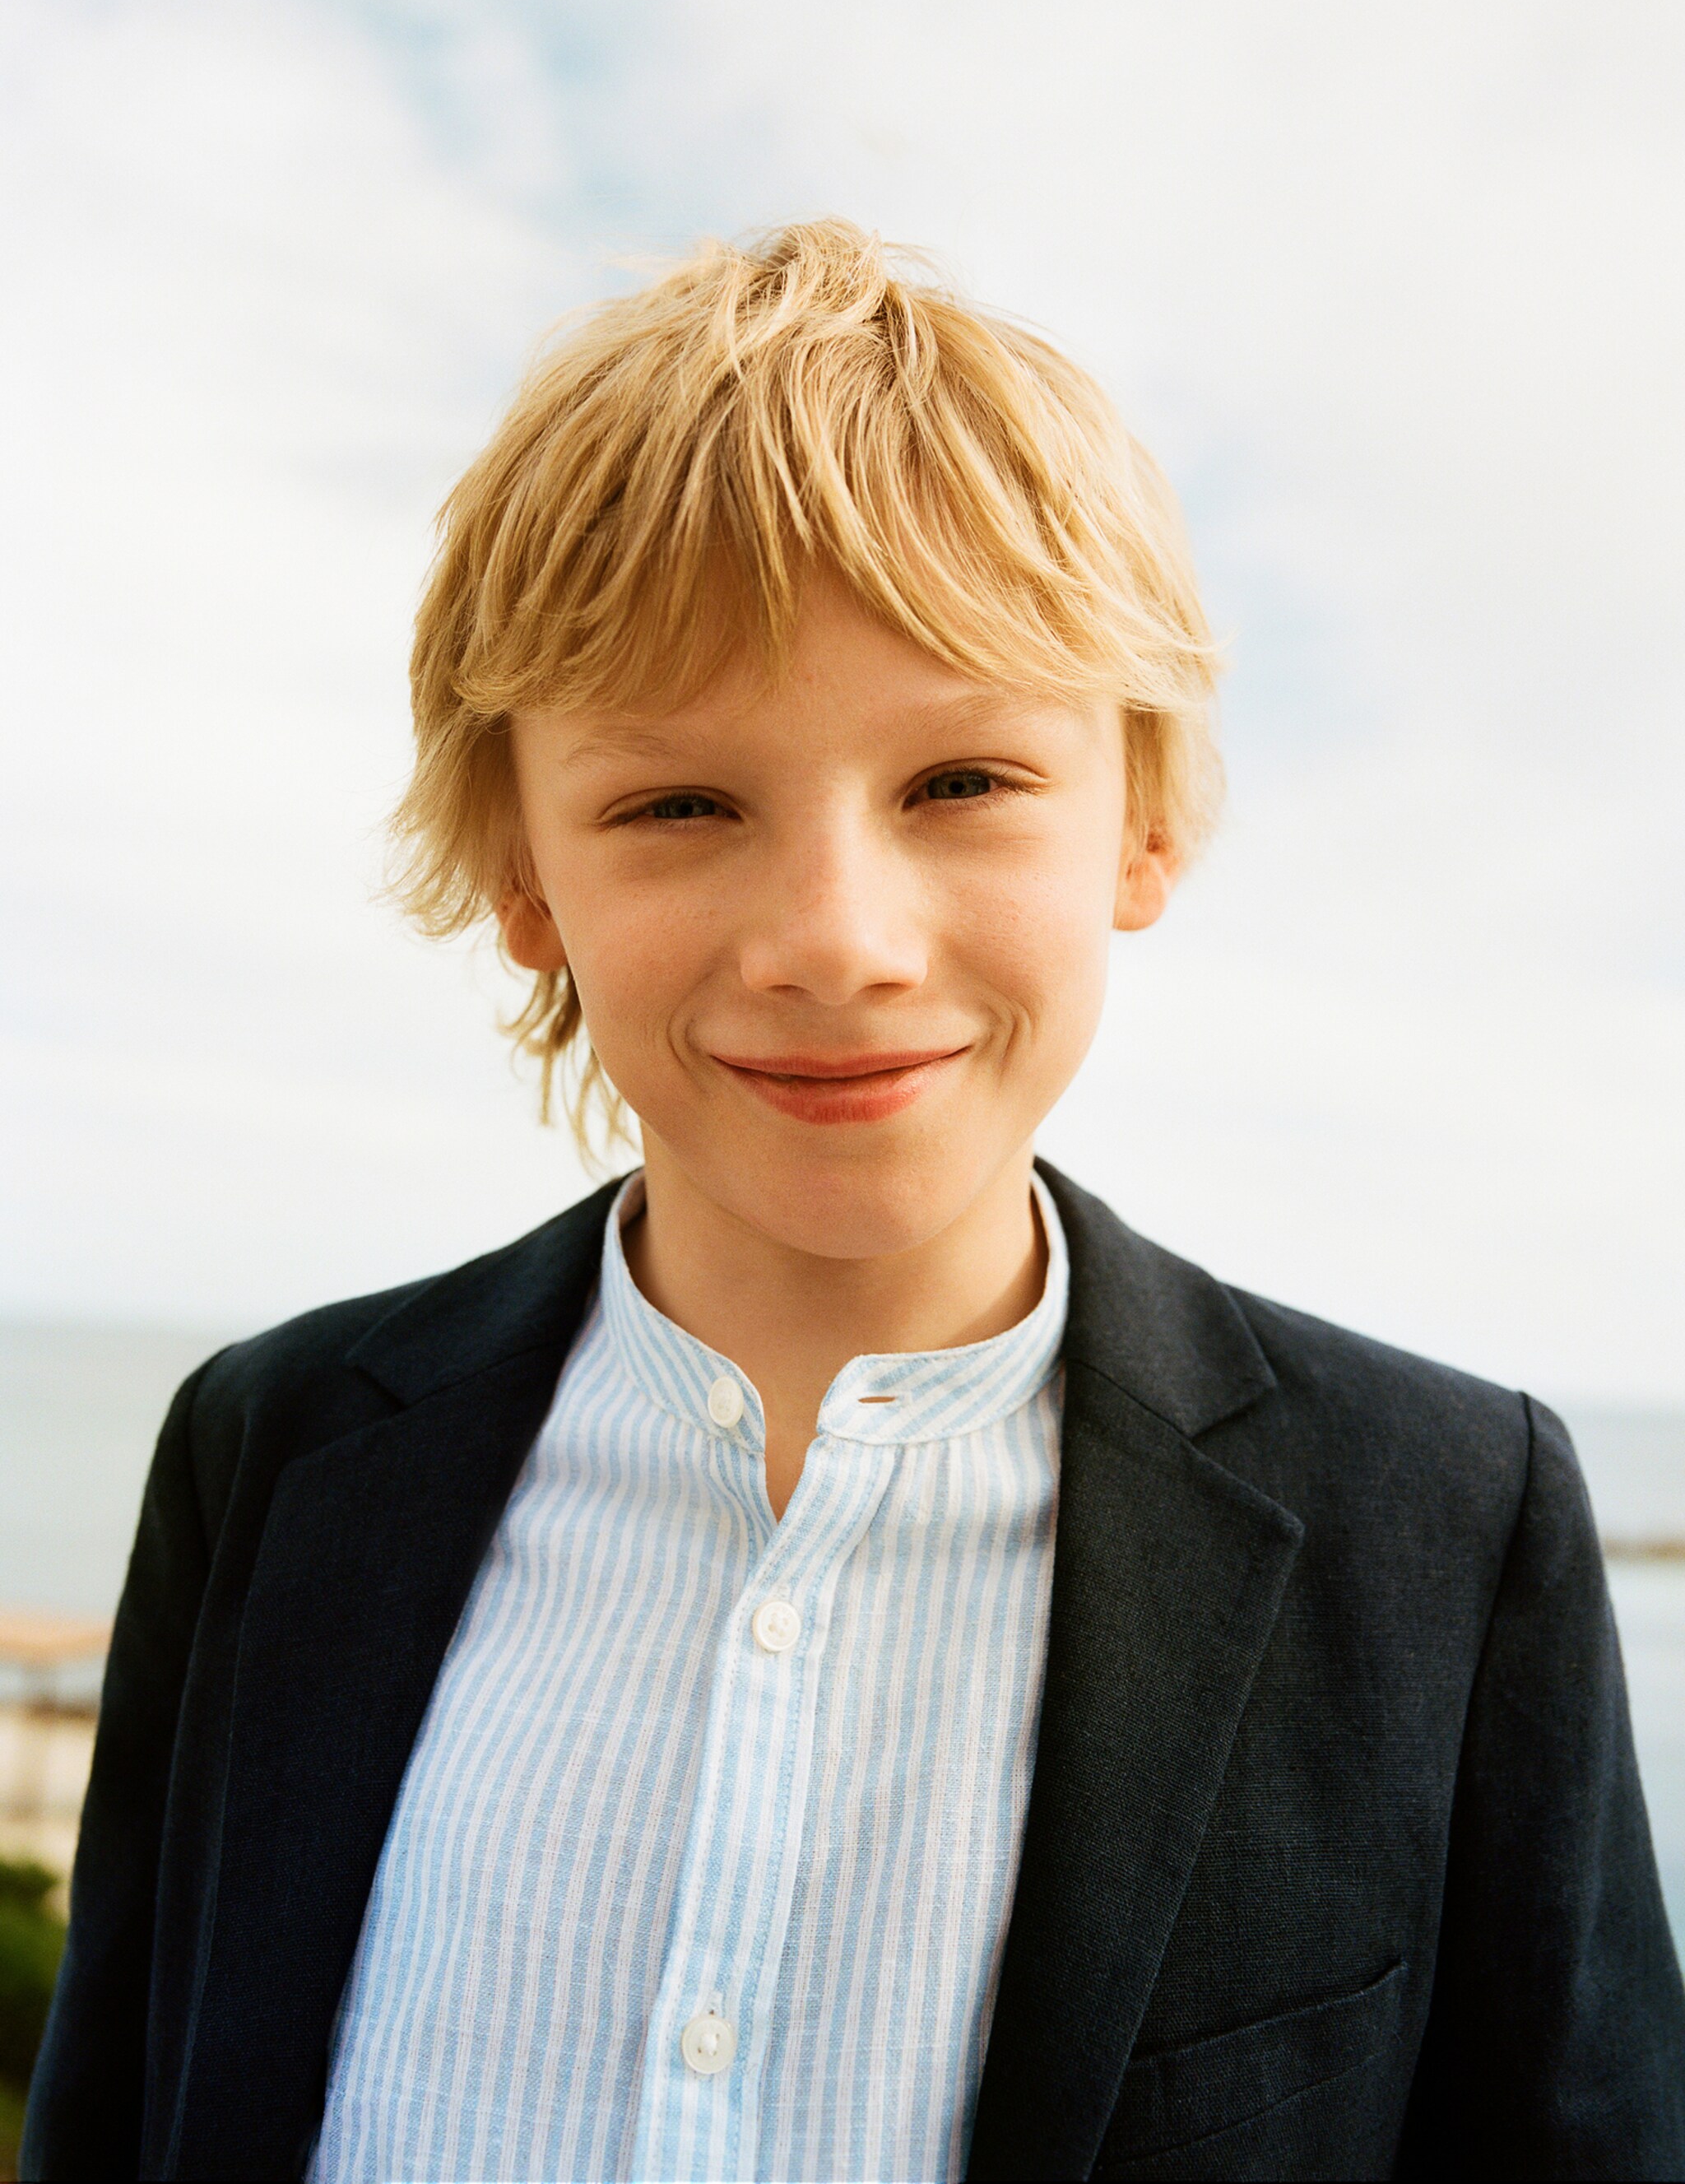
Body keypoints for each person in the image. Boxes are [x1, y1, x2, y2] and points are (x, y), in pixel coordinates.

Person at [24, 221, 1683, 2184]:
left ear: (1142, 822)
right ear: (526, 877)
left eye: (965, 781)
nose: (838, 942)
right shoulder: (271, 1452)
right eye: (678, 804)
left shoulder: (1444, 1520)